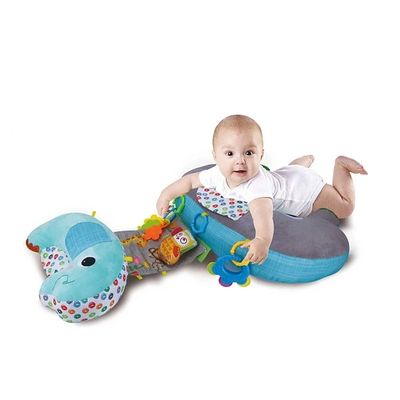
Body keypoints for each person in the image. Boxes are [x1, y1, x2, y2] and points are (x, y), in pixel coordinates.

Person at [156, 114, 367, 265]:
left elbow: (263, 218)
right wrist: (166, 194)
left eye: (248, 153)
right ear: (215, 156)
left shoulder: (257, 189)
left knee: (345, 207)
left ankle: (341, 166)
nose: (239, 161)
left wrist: (262, 241)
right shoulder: (215, 174)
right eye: (230, 154)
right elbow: (190, 182)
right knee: (282, 176)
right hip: (288, 176)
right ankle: (300, 165)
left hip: (309, 193)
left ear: (261, 155)